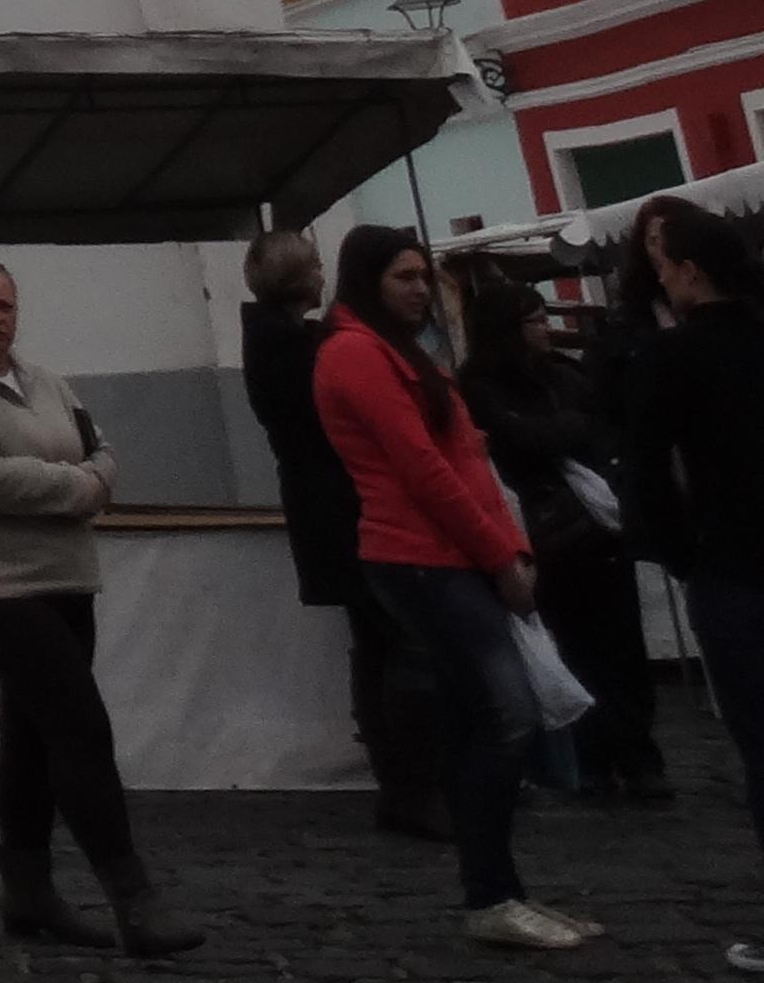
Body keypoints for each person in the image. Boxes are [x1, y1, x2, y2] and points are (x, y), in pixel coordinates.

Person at [0, 253, 200, 956]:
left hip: (65, 575)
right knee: (80, 727)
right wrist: (78, 488)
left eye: (5, 305)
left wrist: (88, 477)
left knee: (30, 735)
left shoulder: (46, 381)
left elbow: (101, 450)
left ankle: (28, 892)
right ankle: (134, 898)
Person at [319, 222, 585, 953]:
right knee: (505, 717)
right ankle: (490, 892)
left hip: (451, 553)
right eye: (403, 277)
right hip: (420, 557)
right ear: (368, 279)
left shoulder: (402, 354)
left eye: (420, 277)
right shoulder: (355, 354)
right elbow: (423, 470)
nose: (417, 291)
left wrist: (511, 546)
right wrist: (504, 557)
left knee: (485, 720)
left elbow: (466, 457)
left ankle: (497, 890)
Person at [239, 225, 440, 838]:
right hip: (340, 507)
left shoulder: (277, 339)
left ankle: (402, 783)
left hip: (325, 506)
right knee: (397, 640)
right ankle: (411, 783)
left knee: (377, 641)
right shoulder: (293, 346)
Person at [617, 193, 764, 972]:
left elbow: (646, 477)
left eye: (665, 262)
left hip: (735, 567)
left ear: (689, 274)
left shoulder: (672, 357)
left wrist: (682, 555)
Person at [463, 268, 662, 801]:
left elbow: (595, 432)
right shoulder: (481, 387)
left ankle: (638, 755)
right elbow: (525, 439)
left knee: (622, 649)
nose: (543, 330)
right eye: (532, 321)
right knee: (576, 648)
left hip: (595, 531)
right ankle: (595, 757)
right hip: (545, 533)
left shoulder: (563, 376)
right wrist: (566, 431)